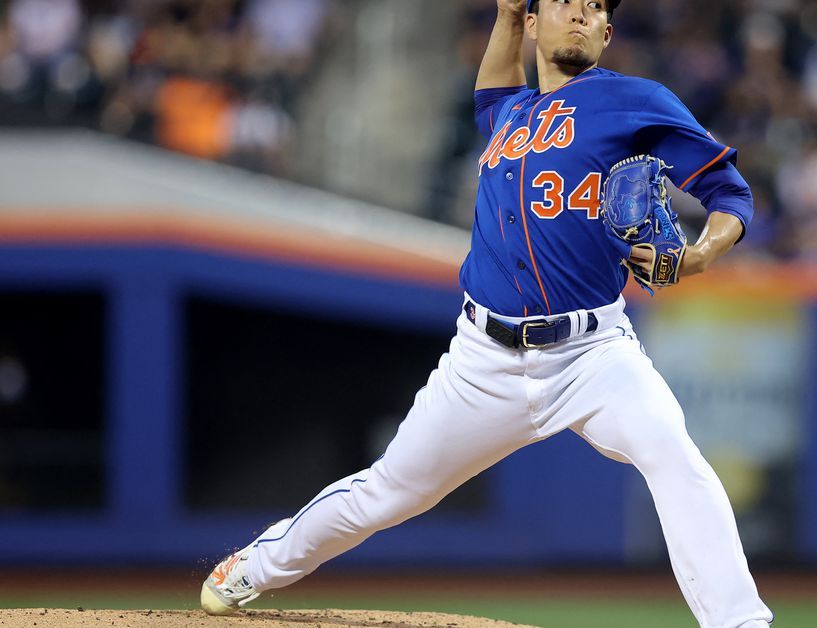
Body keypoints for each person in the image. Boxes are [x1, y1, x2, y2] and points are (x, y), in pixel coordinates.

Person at [200, 1, 773, 626]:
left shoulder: (634, 100)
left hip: (593, 355)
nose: (581, 13)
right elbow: (492, 88)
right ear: (534, 23)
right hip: (482, 360)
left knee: (674, 457)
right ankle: (256, 567)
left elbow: (729, 191)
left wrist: (699, 254)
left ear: (607, 34)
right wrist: (504, 14)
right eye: (566, 1)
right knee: (389, 490)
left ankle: (741, 622)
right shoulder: (509, 112)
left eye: (595, 9)